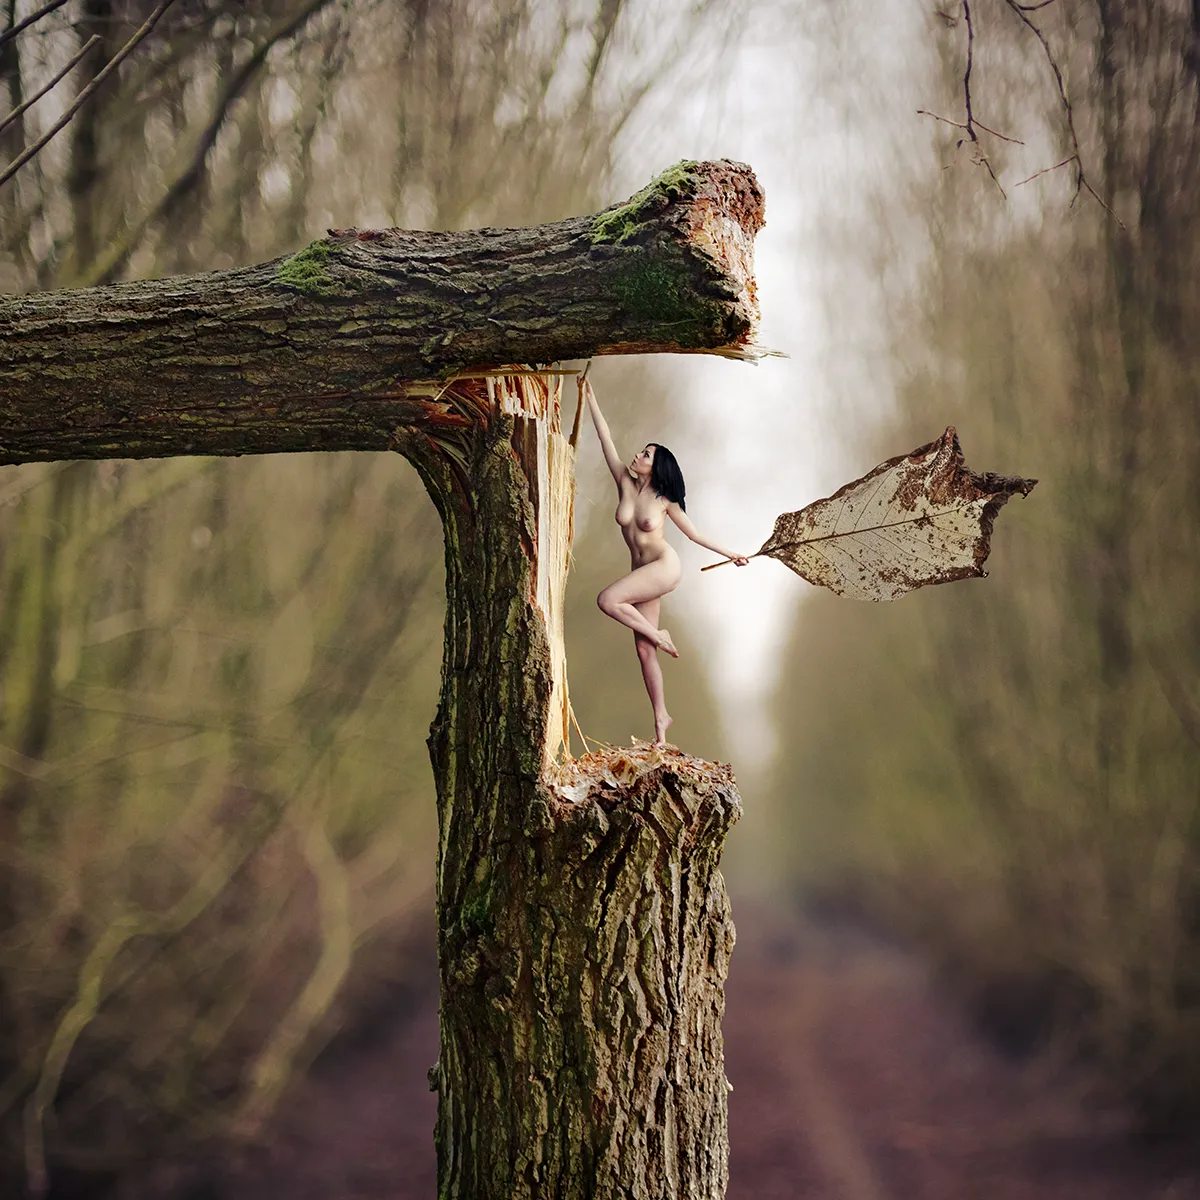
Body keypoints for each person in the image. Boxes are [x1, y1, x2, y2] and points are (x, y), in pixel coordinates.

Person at [585, 386, 748, 747]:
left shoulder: (664, 500)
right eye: (641, 451)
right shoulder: (625, 483)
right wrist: (590, 396)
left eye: (646, 454)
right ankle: (661, 721)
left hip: (663, 567)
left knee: (608, 600)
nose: (638, 455)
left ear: (656, 466)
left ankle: (661, 636)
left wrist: (730, 553)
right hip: (642, 575)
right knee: (644, 650)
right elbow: (605, 437)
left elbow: (694, 535)